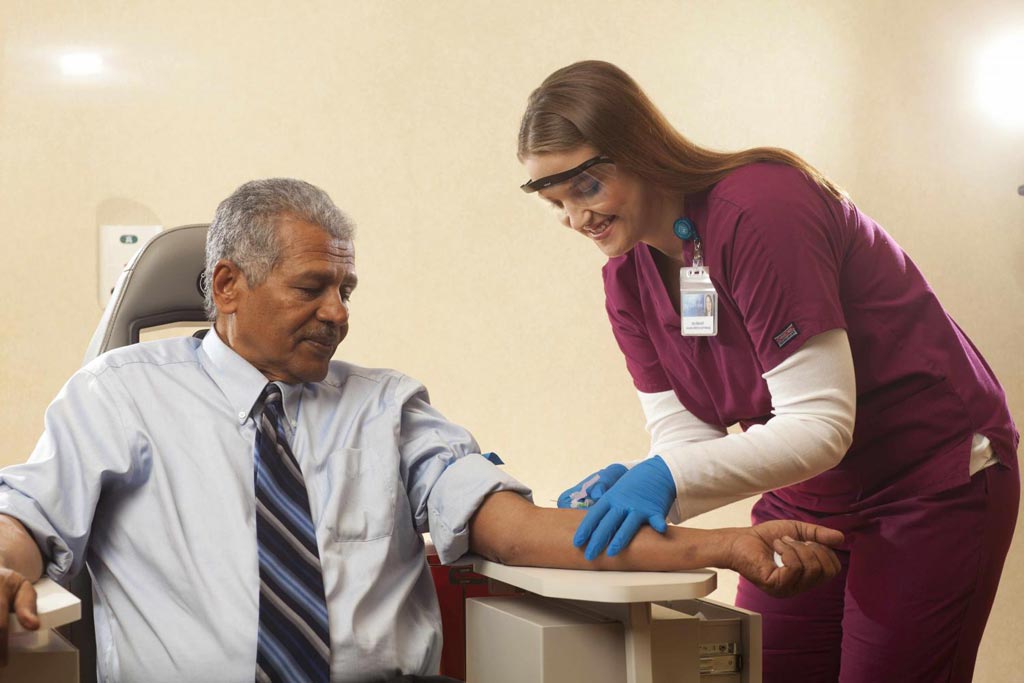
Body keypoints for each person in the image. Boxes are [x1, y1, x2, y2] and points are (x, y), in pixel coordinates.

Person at [0, 178, 843, 683]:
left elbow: (517, 532)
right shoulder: (120, 395)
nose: (339, 314)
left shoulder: (388, 406)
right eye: (312, 287)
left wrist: (727, 546)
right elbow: (28, 519)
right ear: (226, 284)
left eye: (348, 289)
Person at [516, 60, 1019, 683]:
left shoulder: (761, 208)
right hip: (809, 494)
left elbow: (819, 424)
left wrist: (665, 478)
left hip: (927, 479)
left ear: (639, 150)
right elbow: (686, 439)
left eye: (587, 188)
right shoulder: (627, 282)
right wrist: (647, 485)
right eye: (556, 202)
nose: (576, 219)